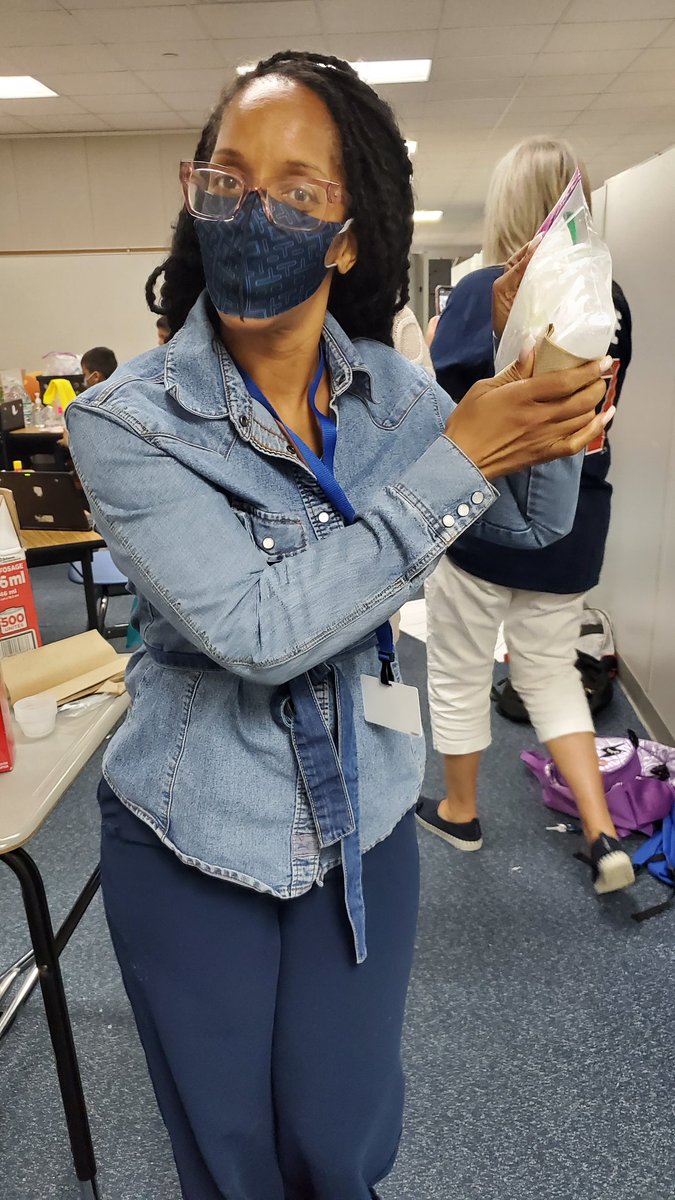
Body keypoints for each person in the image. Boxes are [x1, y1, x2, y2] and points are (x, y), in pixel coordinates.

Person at [66, 61, 610, 1200]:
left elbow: (521, 528)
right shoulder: (128, 423)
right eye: (228, 179)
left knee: (341, 1149)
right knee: (234, 1166)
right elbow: (258, 631)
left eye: (297, 191)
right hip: (191, 831)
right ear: (197, 197)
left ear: (350, 237)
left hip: (360, 823)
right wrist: (466, 455)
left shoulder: (396, 397)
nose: (252, 211)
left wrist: (550, 387)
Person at [418, 136, 634, 896]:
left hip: (486, 523)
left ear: (506, 203)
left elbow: (445, 413)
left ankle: (460, 810)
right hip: (577, 523)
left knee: (458, 666)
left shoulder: (480, 291)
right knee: (549, 674)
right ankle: (602, 829)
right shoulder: (607, 297)